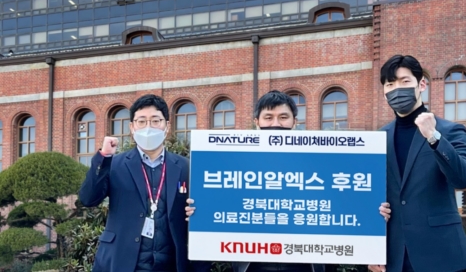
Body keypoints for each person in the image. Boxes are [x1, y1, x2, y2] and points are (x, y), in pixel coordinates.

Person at [186, 90, 324, 272]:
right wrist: (200, 210)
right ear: (257, 122)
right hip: (251, 264)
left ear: (295, 122)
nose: (276, 124)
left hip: (305, 263)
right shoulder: (237, 164)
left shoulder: (317, 162)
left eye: (283, 117)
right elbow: (222, 203)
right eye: (268, 117)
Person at [79, 94, 210, 272]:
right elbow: (88, 199)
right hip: (122, 262)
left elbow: (201, 212)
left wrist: (196, 211)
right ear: (132, 127)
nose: (148, 127)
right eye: (141, 121)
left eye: (155, 121)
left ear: (167, 126)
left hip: (170, 265)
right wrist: (104, 157)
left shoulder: (186, 167)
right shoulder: (115, 164)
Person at [369, 55, 466, 272]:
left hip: (441, 255)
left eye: (405, 81)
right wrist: (372, 249)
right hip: (394, 257)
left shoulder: (449, 131)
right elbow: (370, 193)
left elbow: (463, 178)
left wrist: (433, 137)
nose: (397, 89)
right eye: (390, 84)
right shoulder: (378, 138)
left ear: (422, 85)